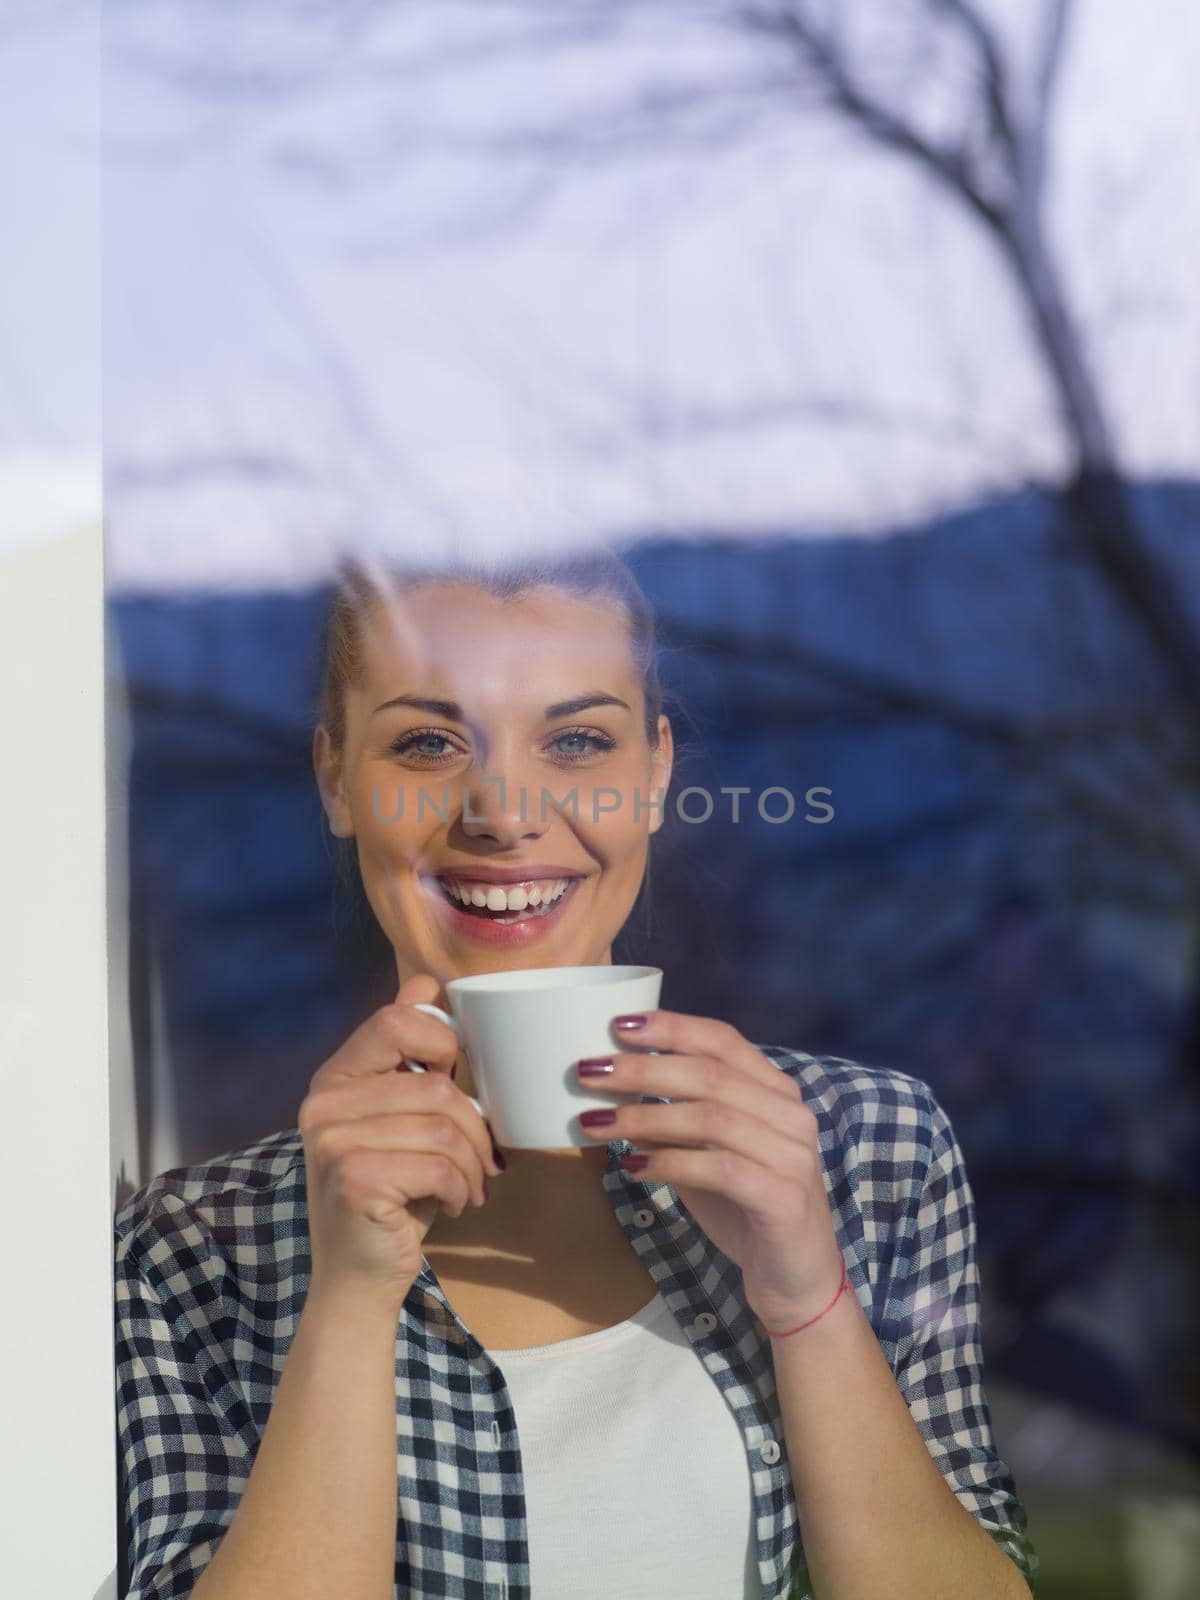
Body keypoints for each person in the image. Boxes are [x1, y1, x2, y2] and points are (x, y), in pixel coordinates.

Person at [114, 547, 1040, 1600]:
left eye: (576, 741)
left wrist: (807, 1299)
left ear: (653, 773)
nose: (504, 814)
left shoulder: (867, 1144)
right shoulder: (194, 1248)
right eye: (426, 741)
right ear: (337, 779)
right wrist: (349, 1304)